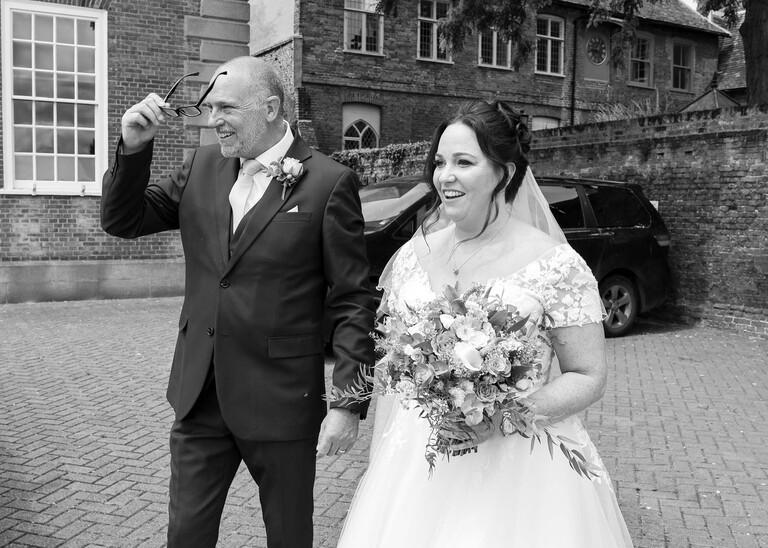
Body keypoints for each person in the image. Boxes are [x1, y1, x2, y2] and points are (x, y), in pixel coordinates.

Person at [101, 56, 375, 548]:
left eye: (226, 108)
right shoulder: (202, 166)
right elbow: (123, 220)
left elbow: (353, 298)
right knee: (185, 535)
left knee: (288, 536)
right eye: (209, 108)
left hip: (281, 401)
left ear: (270, 108)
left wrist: (348, 403)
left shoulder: (329, 183)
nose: (212, 120)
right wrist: (133, 148)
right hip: (199, 392)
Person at [336, 100, 634, 548]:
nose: (444, 176)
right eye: (439, 162)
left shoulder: (555, 265)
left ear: (505, 174)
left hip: (521, 466)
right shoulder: (410, 259)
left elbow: (588, 375)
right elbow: (393, 368)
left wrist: (503, 417)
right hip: (420, 461)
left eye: (464, 162)